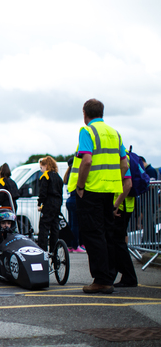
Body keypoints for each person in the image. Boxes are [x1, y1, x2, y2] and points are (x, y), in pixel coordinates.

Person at [67, 99, 128, 294]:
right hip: (109, 191)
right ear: (102, 113)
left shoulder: (87, 131)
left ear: (84, 113)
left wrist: (81, 186)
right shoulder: (114, 133)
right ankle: (108, 276)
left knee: (93, 235)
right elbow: (125, 165)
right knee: (107, 233)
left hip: (91, 189)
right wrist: (112, 181)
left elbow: (86, 160)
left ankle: (101, 279)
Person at [113, 153, 138, 287]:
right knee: (118, 241)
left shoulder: (123, 158)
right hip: (124, 206)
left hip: (122, 207)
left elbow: (127, 184)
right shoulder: (123, 157)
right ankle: (122, 275)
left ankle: (129, 276)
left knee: (118, 243)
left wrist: (116, 205)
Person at [37, 156, 64, 254]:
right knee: (54, 228)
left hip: (48, 203)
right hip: (57, 204)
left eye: (41, 167)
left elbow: (43, 192)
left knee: (44, 227)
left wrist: (40, 203)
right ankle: (54, 252)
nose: (41, 170)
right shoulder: (58, 176)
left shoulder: (46, 176)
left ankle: (42, 251)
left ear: (46, 166)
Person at [63, 157, 84, 253]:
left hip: (70, 200)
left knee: (71, 224)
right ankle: (76, 246)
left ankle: (70, 246)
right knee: (76, 225)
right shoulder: (75, 173)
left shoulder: (68, 174)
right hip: (75, 200)